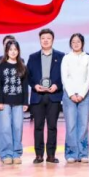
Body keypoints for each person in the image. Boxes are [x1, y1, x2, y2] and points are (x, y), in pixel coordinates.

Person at [27, 29, 65, 164]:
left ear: (52, 40)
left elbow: (65, 75)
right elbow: (28, 76)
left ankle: (51, 155)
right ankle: (38, 155)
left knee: (52, 126)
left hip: (54, 96)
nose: (45, 40)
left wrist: (57, 85)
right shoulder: (33, 57)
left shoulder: (61, 56)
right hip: (38, 96)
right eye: (43, 38)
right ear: (40, 40)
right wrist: (34, 86)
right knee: (38, 126)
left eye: (48, 38)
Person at [61, 33, 89, 164]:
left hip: (84, 96)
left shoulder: (88, 58)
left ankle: (83, 153)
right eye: (73, 42)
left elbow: (88, 77)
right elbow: (65, 77)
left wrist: (81, 94)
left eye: (78, 41)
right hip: (69, 96)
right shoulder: (66, 58)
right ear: (70, 43)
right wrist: (71, 94)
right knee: (71, 125)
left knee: (83, 125)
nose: (76, 44)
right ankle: (71, 153)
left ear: (82, 43)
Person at [0, 40, 30, 165]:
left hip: (18, 102)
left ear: (18, 51)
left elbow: (25, 86)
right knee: (5, 128)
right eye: (10, 49)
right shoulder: (1, 66)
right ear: (6, 51)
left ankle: (16, 153)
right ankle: (6, 154)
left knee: (17, 127)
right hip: (4, 102)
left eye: (15, 49)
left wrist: (25, 102)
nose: (13, 52)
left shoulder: (22, 66)